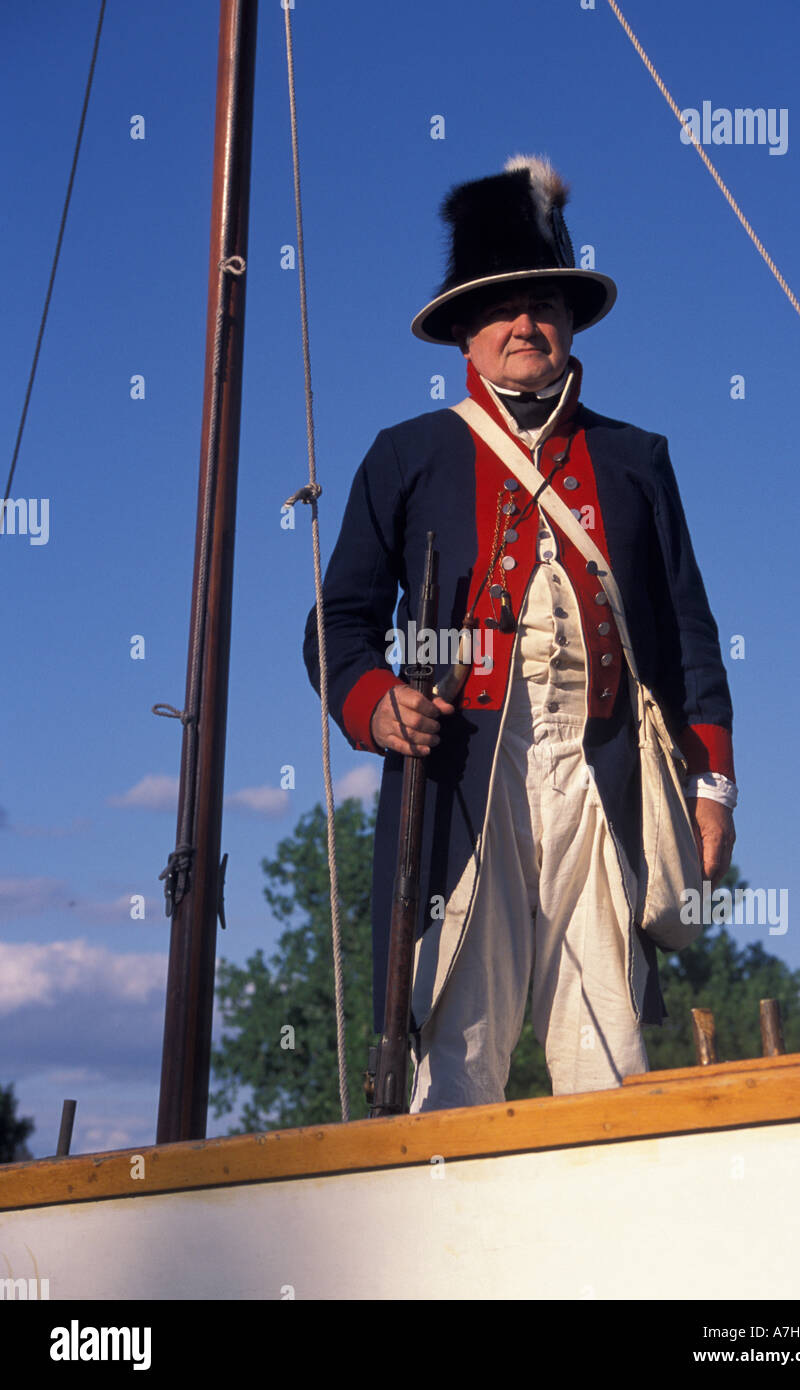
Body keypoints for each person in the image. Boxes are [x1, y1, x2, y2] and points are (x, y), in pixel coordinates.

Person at [304, 155, 736, 1112]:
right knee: (456, 1044)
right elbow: (338, 621)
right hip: (464, 782)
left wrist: (712, 786)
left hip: (604, 777)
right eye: (501, 306)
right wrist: (377, 705)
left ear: (572, 321)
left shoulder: (637, 459)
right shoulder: (407, 455)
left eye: (544, 302)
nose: (524, 324)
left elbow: (689, 635)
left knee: (613, 1055)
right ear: (465, 327)